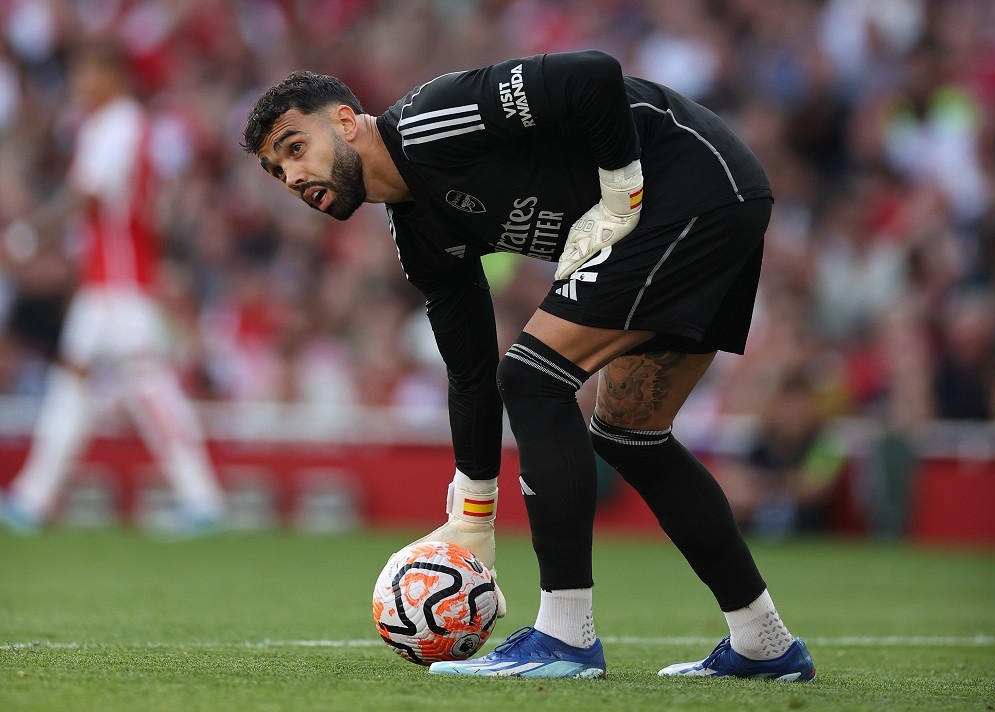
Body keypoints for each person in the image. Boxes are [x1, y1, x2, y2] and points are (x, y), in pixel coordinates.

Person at [242, 50, 815, 681]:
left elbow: (591, 74)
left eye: (295, 148)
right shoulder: (420, 235)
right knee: (630, 435)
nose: (292, 177)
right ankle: (765, 643)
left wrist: (622, 185)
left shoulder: (433, 120)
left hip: (688, 183)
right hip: (710, 202)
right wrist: (473, 515)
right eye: (277, 171)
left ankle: (565, 637)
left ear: (347, 122)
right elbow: (469, 372)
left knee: (534, 377)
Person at [0, 40, 226, 536]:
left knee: (147, 389)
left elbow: (86, 195)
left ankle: (202, 499)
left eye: (89, 72)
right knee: (78, 386)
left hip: (119, 286)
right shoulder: (128, 126)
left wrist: (28, 233)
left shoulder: (116, 124)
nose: (80, 84)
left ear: (113, 75)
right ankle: (31, 500)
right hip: (111, 282)